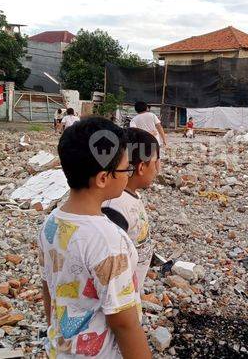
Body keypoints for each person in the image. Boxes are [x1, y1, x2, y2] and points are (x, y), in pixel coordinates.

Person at [38, 117, 151, 358]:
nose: (127, 175)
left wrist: (54, 331)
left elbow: (48, 285)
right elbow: (123, 322)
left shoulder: (51, 222)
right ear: (102, 178)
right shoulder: (109, 240)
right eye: (125, 169)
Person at [101, 128, 159, 293]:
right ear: (141, 167)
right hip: (120, 299)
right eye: (155, 162)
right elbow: (111, 268)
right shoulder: (114, 206)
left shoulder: (130, 196)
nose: (157, 169)